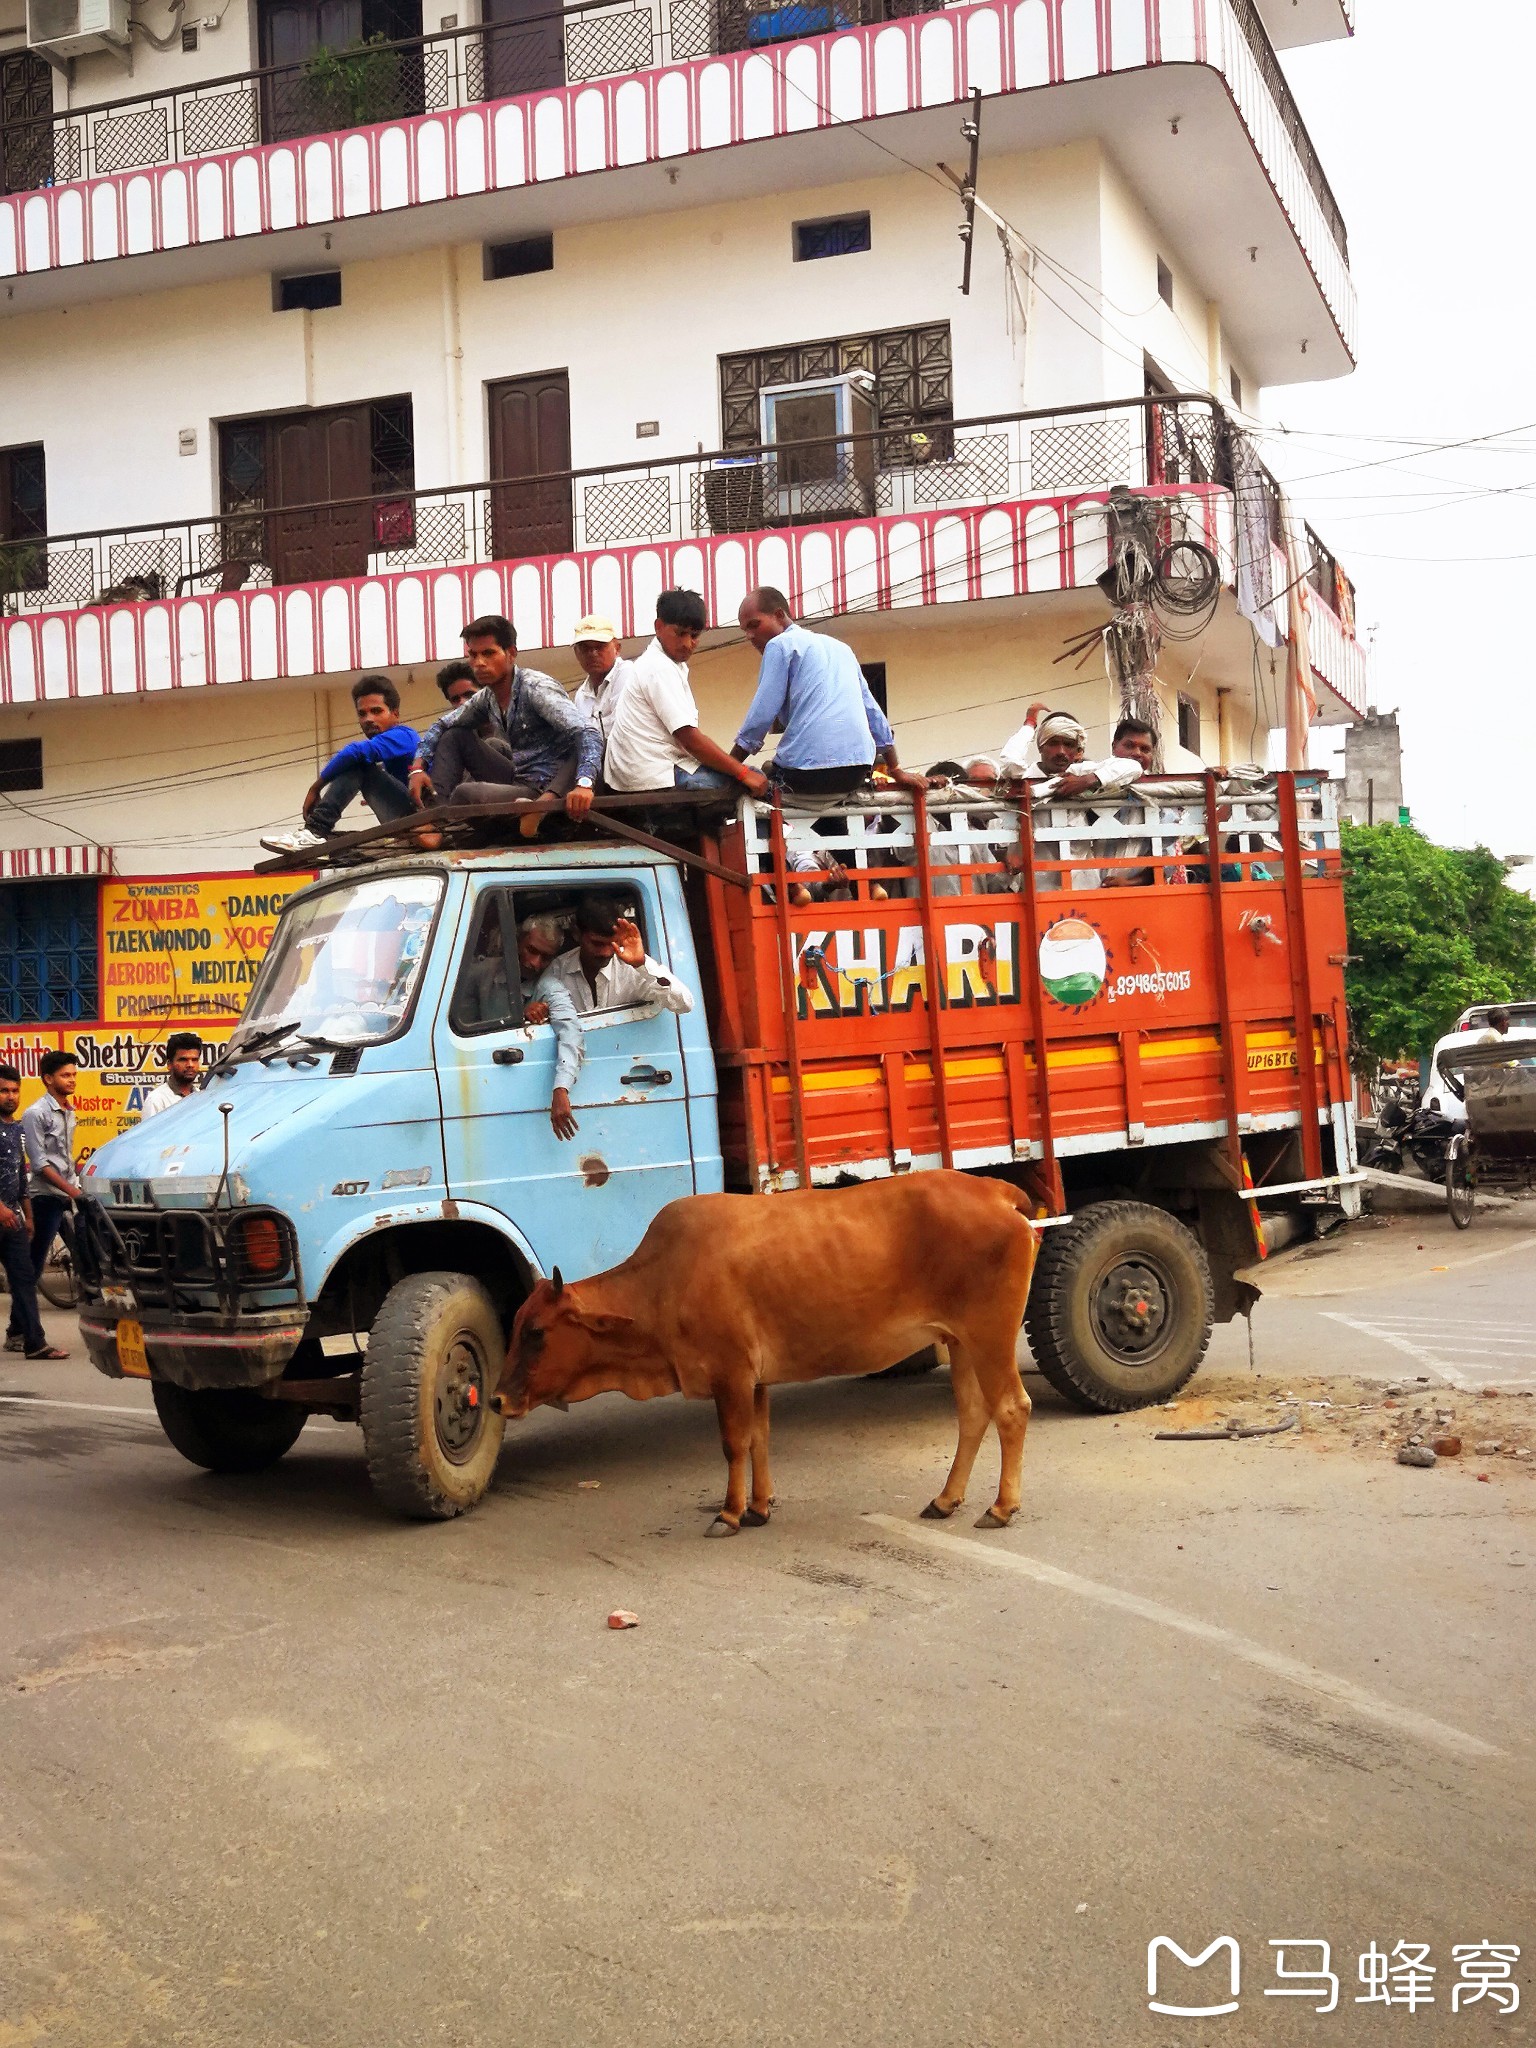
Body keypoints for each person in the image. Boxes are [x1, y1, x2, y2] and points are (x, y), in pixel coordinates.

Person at [408, 615, 601, 835]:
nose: (479, 663)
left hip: (548, 788)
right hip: (519, 781)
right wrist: (416, 768)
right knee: (455, 736)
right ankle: (433, 822)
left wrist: (584, 783)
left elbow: (588, 733)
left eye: (488, 653)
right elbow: (442, 725)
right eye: (473, 655)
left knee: (465, 794)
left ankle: (535, 810)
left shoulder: (536, 688)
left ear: (511, 653)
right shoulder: (487, 697)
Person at [732, 587, 925, 794]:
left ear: (779, 615)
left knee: (755, 785)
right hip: (857, 770)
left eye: (754, 625)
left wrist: (728, 766)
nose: (750, 636)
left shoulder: (779, 645)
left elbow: (760, 718)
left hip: (806, 772)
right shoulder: (841, 648)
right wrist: (895, 769)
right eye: (745, 631)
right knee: (829, 819)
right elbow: (873, 713)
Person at [602, 589, 768, 799]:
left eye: (695, 636)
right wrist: (742, 772)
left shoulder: (667, 664)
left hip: (648, 770)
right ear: (659, 627)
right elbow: (690, 739)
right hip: (651, 775)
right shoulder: (658, 667)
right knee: (753, 782)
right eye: (680, 633)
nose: (688, 643)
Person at [262, 676, 419, 854]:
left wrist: (316, 788)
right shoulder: (388, 753)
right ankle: (319, 835)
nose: (368, 719)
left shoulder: (404, 736)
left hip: (422, 819)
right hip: (409, 819)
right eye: (362, 713)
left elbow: (355, 751)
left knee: (358, 764)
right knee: (361, 765)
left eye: (376, 711)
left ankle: (315, 830)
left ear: (395, 714)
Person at [0, 1064, 65, 1360]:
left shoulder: (15, 1129)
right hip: (2, 1213)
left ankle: (34, 1343)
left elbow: (21, 1174)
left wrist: (28, 1215)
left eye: (14, 1091)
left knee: (25, 1279)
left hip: (13, 1219)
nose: (10, 1096)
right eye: (4, 1091)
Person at [544, 895, 694, 1017]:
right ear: (577, 934)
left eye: (613, 944)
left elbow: (684, 1004)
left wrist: (642, 965)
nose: (606, 952)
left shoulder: (633, 968)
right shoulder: (559, 969)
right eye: (597, 944)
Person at [18, 1049, 80, 1328]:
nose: (71, 1080)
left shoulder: (68, 1110)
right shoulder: (35, 1114)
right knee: (33, 1265)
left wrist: (75, 1186)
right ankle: (17, 1329)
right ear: (47, 1079)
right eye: (65, 1075)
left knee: (86, 1248)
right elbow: (40, 1164)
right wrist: (71, 1190)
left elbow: (65, 1157)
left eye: (74, 1075)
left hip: (67, 1192)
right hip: (45, 1196)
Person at [515, 913, 586, 1142]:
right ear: (517, 940)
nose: (535, 963)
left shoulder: (548, 987)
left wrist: (561, 1089)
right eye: (531, 950)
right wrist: (520, 1014)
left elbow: (570, 1030)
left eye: (545, 958)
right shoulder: (481, 974)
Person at [570, 616, 636, 752]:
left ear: (617, 649)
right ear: (576, 653)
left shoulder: (626, 673)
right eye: (585, 648)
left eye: (600, 647)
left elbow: (621, 733)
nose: (593, 654)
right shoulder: (581, 695)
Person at [140, 1031, 203, 1118]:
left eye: (194, 1059)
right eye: (183, 1060)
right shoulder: (157, 1100)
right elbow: (150, 1132)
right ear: (169, 1064)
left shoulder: (201, 1097)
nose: (190, 1065)